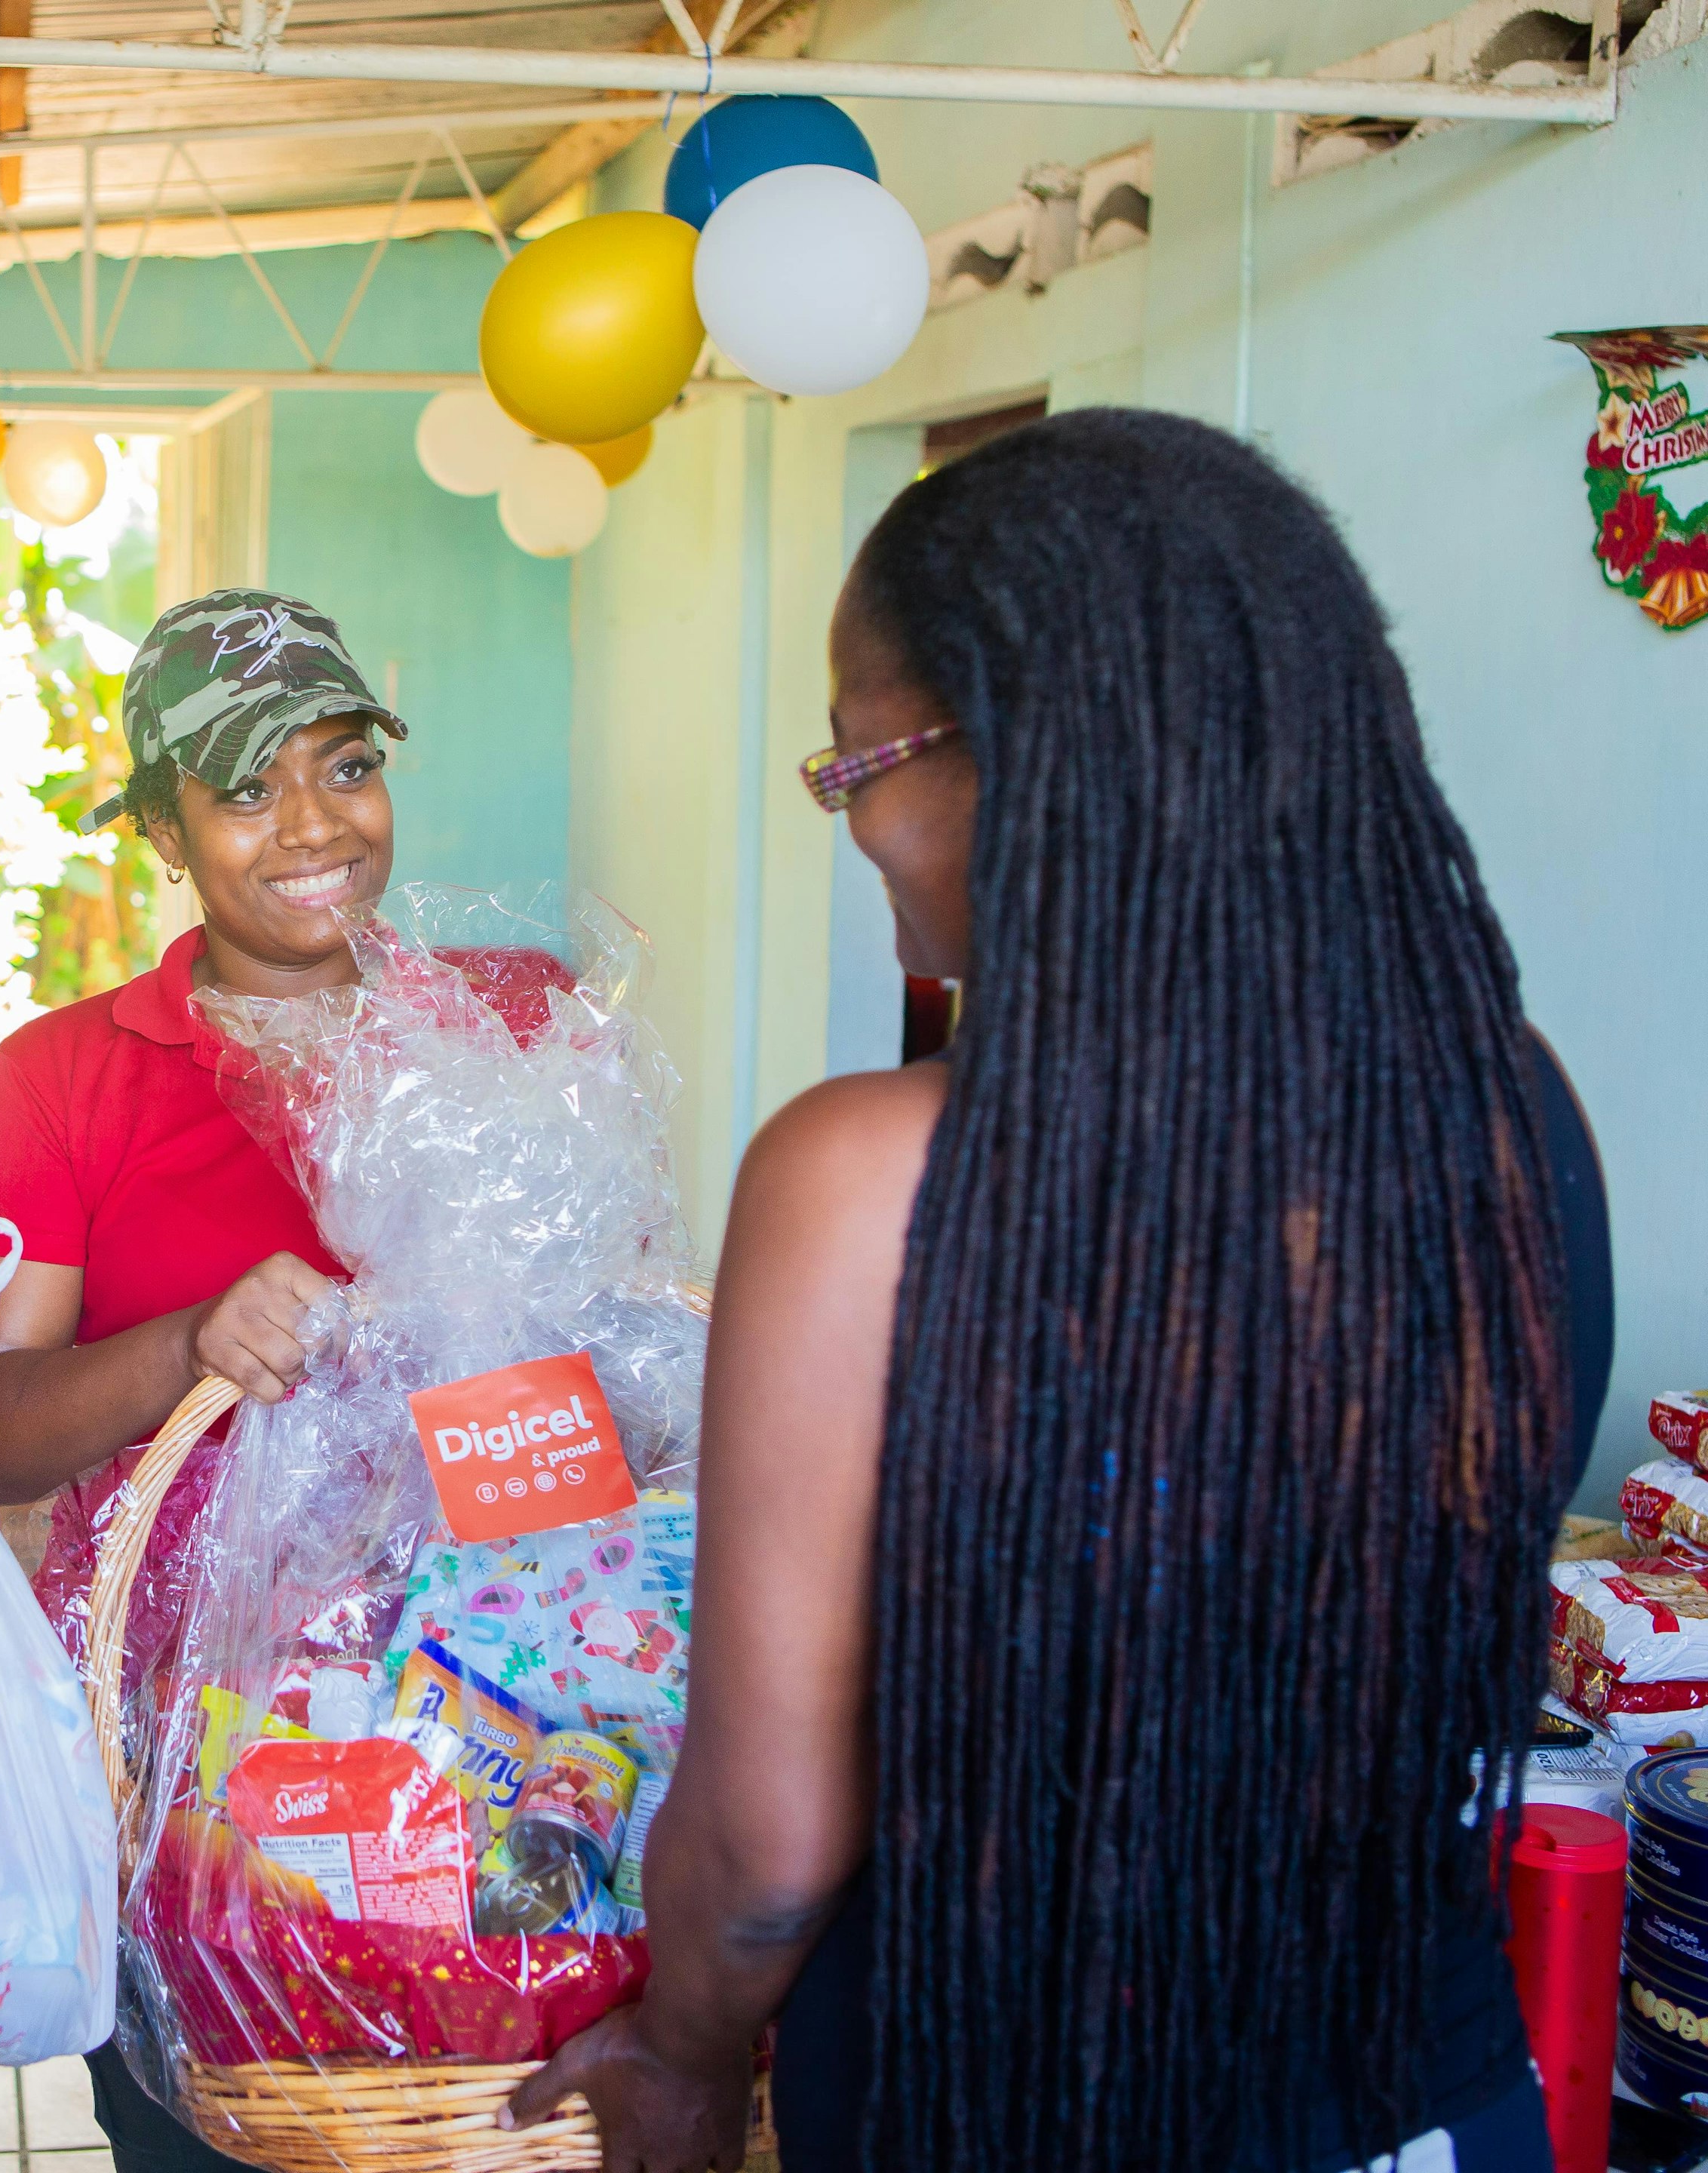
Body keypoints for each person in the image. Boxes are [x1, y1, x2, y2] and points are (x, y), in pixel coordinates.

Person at [511, 411, 1590, 2173]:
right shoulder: (1499, 1114)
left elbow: (770, 1848)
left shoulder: (867, 1184)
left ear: (1023, 759)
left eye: (856, 768)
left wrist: (684, 2058)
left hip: (1006, 2096)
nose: (854, 830)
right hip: (1425, 2100)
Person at [0, 589, 416, 2173]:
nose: (312, 826)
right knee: (211, 2142)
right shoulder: (66, 1077)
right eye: (241, 789)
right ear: (161, 828)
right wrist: (184, 1345)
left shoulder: (502, 1022)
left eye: (344, 765)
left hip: (488, 1730)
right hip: (187, 1774)